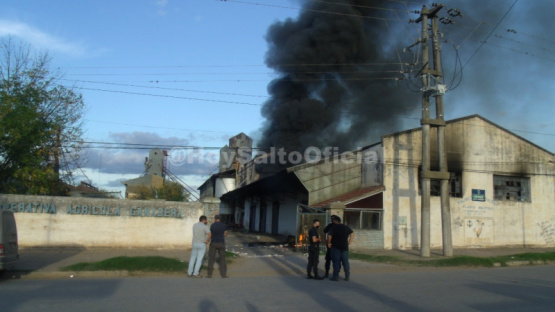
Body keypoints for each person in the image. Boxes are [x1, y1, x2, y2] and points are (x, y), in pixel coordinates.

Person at [327, 216, 355, 281]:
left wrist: (329, 243)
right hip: (344, 247)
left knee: (336, 262)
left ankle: (335, 276)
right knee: (345, 262)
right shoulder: (345, 227)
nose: (332, 221)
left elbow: (329, 236)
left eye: (333, 220)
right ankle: (347, 276)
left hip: (335, 247)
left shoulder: (334, 227)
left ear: (335, 221)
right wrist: (349, 242)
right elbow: (352, 234)